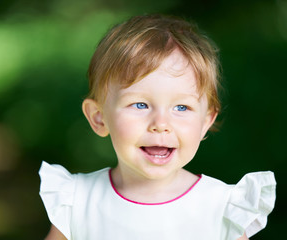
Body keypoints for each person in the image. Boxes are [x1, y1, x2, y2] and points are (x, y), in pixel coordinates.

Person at [39, 14, 276, 240]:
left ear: (205, 122)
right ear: (99, 117)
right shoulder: (78, 201)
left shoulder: (220, 207)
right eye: (140, 104)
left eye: (181, 107)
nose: (161, 124)